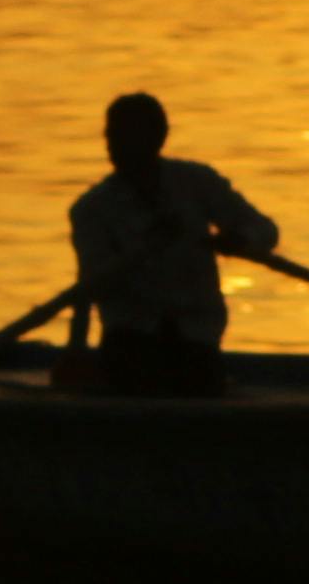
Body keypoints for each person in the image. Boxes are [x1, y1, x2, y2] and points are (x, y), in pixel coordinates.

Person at [65, 90, 277, 397]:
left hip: (197, 341)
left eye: (127, 135)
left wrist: (240, 240)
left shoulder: (197, 183)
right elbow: (92, 285)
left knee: (196, 375)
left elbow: (266, 231)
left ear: (159, 137)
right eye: (111, 135)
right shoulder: (92, 209)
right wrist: (76, 351)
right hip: (131, 345)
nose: (114, 145)